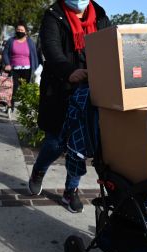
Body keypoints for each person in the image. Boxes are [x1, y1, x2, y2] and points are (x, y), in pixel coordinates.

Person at [28, 0, 110, 213]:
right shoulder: (54, 15)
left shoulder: (100, 15)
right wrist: (68, 71)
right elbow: (51, 48)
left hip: (91, 90)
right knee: (55, 142)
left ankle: (70, 191)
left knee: (79, 145)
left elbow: (111, 45)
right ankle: (39, 170)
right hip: (59, 88)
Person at [2, 22, 39, 109]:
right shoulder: (11, 41)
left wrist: (36, 69)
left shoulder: (30, 42)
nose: (19, 31)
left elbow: (34, 56)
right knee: (13, 88)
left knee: (25, 90)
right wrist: (7, 64)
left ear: (26, 32)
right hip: (14, 69)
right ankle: (10, 105)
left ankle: (24, 107)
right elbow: (5, 53)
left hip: (27, 69)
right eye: (18, 30)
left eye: (22, 30)